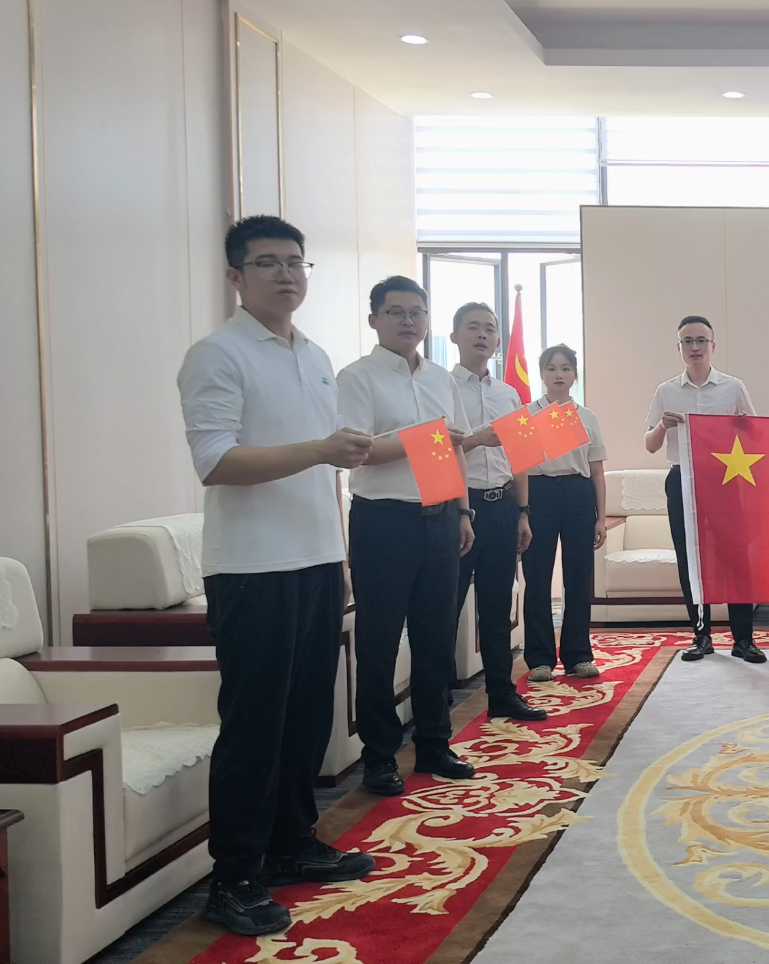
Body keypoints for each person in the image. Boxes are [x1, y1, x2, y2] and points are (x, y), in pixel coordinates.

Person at [177, 215, 374, 935]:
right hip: (252, 568)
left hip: (315, 560)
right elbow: (216, 462)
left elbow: (330, 469)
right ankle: (234, 877)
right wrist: (319, 448)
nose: (286, 275)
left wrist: (339, 555)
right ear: (235, 276)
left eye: (295, 262)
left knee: (307, 717)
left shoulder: (314, 354)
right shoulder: (217, 354)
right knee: (255, 726)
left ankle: (293, 844)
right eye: (267, 263)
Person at [338, 275, 480, 796]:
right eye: (395, 312)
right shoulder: (357, 377)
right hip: (383, 522)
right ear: (374, 319)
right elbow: (358, 451)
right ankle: (378, 757)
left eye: (416, 312)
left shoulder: (441, 379)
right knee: (378, 644)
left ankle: (434, 744)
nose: (407, 321)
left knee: (435, 639)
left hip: (441, 520)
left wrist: (463, 511)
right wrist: (425, 438)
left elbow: (454, 447)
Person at [644, 316, 766, 664]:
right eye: (688, 341)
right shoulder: (666, 391)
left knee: (735, 558)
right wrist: (663, 426)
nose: (695, 347)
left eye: (701, 340)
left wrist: (742, 427)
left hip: (724, 482)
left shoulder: (733, 387)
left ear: (713, 346)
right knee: (690, 560)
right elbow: (650, 444)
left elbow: (757, 434)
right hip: (681, 480)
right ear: (679, 348)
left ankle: (744, 640)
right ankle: (701, 637)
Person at [448, 303, 545, 723]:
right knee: (447, 607)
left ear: (498, 341)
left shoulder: (509, 395)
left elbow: (519, 457)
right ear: (455, 336)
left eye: (489, 329)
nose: (482, 335)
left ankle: (502, 694)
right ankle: (436, 703)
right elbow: (436, 451)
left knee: (497, 604)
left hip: (502, 506)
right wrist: (476, 439)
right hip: (458, 506)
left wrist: (523, 511)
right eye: (473, 327)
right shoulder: (442, 387)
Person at [522, 344, 608, 681]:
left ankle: (578, 655)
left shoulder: (587, 417)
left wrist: (600, 518)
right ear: (542, 374)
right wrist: (522, 512)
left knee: (579, 576)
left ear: (574, 375)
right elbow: (521, 467)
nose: (559, 374)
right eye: (551, 368)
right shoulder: (527, 415)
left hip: (578, 494)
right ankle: (540, 659)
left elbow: (597, 471)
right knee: (537, 576)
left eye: (565, 368)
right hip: (538, 493)